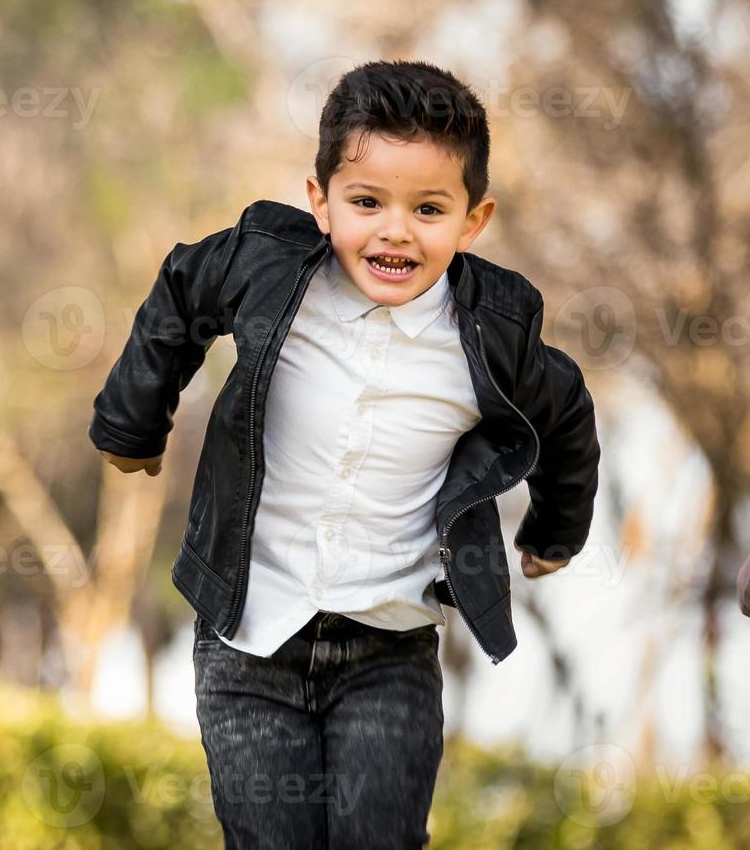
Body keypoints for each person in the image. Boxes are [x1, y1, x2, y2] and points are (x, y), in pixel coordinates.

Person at [89, 60, 601, 848]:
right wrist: (132, 428)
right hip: (247, 642)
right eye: (367, 202)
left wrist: (554, 534)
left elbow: (566, 415)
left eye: (429, 209)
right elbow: (181, 290)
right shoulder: (264, 266)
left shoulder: (494, 334)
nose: (395, 230)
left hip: (387, 652)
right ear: (320, 201)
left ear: (473, 220)